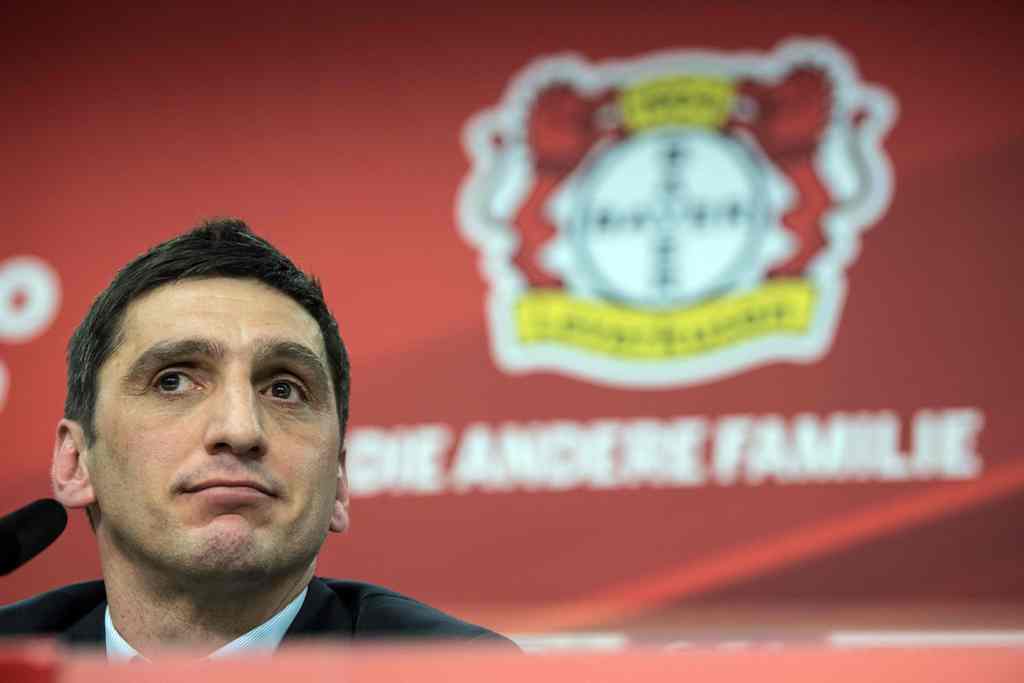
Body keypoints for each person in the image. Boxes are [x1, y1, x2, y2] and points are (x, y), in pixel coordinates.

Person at [0, 219, 515, 657]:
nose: (240, 430)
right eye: (174, 381)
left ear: (338, 480)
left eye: (284, 389)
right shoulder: (13, 654)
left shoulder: (462, 672)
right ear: (75, 463)